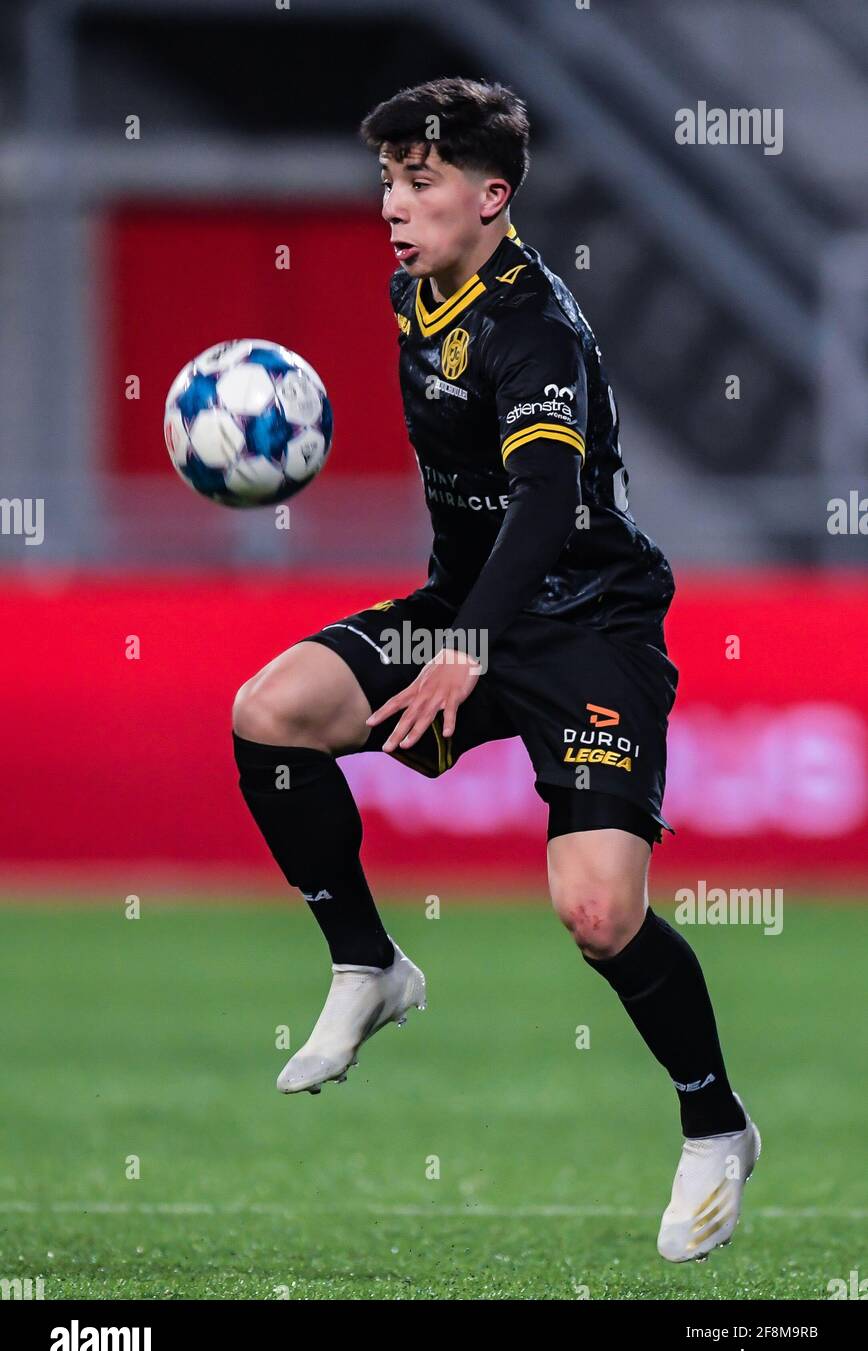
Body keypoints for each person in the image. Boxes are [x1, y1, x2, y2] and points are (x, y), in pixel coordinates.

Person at [231, 76, 760, 1263]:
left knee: (596, 914)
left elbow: (546, 497)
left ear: (492, 196)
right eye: (386, 181)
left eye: (418, 185)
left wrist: (470, 647)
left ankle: (715, 1125)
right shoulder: (417, 292)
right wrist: (458, 624)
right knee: (270, 712)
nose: (392, 207)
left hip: (587, 627)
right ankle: (369, 962)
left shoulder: (533, 329)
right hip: (465, 607)